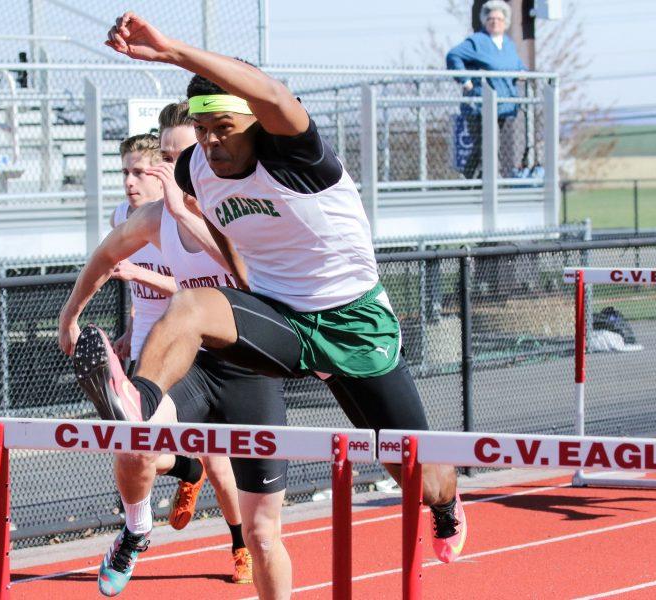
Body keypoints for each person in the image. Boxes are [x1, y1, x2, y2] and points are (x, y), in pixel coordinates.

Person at [59, 10, 466, 567]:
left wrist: (173, 50)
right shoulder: (194, 170)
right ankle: (142, 404)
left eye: (223, 129)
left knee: (418, 475)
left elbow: (272, 91)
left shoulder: (298, 155)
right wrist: (238, 280)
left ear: (254, 122)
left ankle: (446, 504)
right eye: (201, 132)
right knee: (192, 305)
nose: (212, 144)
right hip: (282, 321)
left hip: (353, 321)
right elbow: (201, 236)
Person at [63, 107, 290, 598]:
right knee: (132, 434)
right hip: (188, 361)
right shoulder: (149, 216)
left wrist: (188, 211)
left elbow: (251, 278)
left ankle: (239, 540)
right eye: (162, 158)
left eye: (179, 157)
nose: (170, 169)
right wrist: (70, 317)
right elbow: (105, 256)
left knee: (263, 531)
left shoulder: (243, 210)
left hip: (251, 370)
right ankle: (136, 529)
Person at [101, 131, 253, 588]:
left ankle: (240, 543)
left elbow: (194, 292)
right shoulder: (122, 218)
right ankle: (180, 476)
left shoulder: (182, 218)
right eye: (124, 171)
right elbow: (134, 289)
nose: (129, 181)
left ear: (163, 173)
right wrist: (129, 329)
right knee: (131, 450)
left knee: (222, 466)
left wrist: (138, 271)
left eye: (139, 171)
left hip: (194, 351)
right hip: (150, 356)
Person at [446, 0, 527, 178]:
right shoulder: (477, 41)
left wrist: (522, 73)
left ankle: (475, 182)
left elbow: (517, 65)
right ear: (484, 21)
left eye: (499, 18)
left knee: (489, 146)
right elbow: (453, 56)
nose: (495, 21)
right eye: (490, 18)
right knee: (485, 145)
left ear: (505, 22)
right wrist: (464, 79)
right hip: (480, 106)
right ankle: (478, 182)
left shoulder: (508, 44)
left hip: (504, 105)